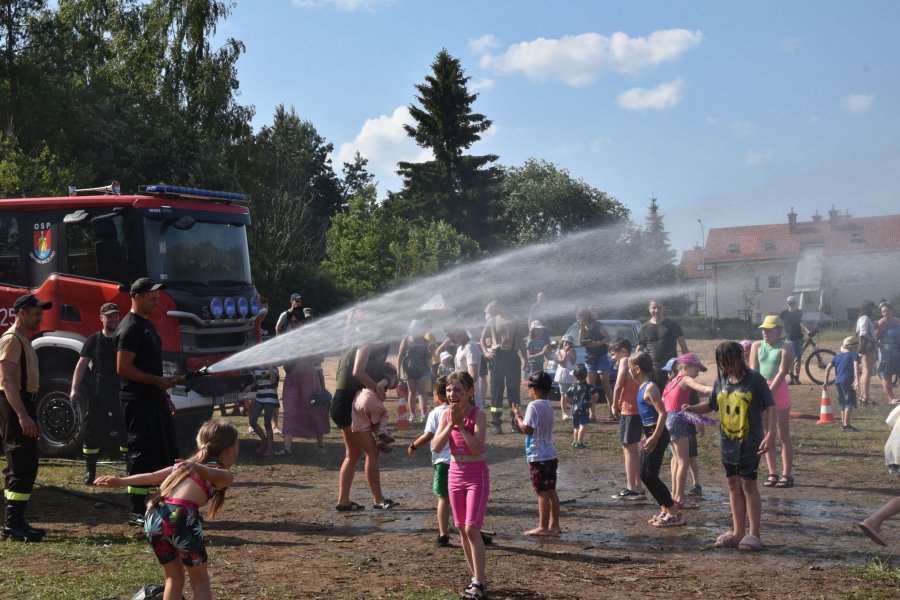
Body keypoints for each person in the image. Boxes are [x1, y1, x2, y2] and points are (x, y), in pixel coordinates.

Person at [95, 419, 238, 600]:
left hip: (154, 515)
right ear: (230, 450)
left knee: (174, 578)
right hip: (180, 518)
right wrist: (195, 467)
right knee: (200, 578)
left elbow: (153, 476)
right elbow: (211, 474)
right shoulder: (222, 474)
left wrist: (121, 481)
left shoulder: (182, 466)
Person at [685, 341, 775, 551]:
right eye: (722, 363)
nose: (726, 367)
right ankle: (737, 532)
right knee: (733, 486)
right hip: (727, 444)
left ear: (740, 358)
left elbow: (770, 406)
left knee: (748, 485)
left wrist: (770, 435)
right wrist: (692, 408)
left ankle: (754, 534)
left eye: (729, 362)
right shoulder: (721, 380)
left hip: (750, 443)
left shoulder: (755, 380)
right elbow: (711, 405)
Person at [117, 278, 177, 526]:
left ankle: (161, 504)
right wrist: (156, 382)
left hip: (153, 397)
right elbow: (123, 368)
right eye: (152, 298)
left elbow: (151, 365)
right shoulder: (130, 327)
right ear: (137, 297)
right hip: (138, 400)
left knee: (164, 449)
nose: (157, 302)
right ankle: (136, 510)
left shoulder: (146, 325)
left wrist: (163, 393)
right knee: (140, 452)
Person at [432, 371, 489, 599]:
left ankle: (480, 582)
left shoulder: (479, 414)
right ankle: (475, 577)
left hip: (476, 475)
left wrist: (462, 427)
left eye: (457, 390)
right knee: (461, 530)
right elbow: (436, 446)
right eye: (448, 390)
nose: (452, 394)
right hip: (455, 474)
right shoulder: (446, 414)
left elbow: (477, 448)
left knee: (472, 528)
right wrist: (451, 424)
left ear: (469, 392)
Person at [0, 294, 51, 542]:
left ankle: (18, 520)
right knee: (20, 460)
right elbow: (7, 380)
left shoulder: (25, 340)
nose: (40, 317)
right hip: (14, 402)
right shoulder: (11, 340)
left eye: (40, 313)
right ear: (21, 313)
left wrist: (30, 414)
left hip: (24, 401)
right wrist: (22, 416)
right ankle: (12, 524)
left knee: (27, 462)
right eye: (35, 313)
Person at [331, 342, 397, 511]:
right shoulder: (364, 344)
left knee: (352, 454)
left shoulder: (352, 346)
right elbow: (357, 373)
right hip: (346, 404)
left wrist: (385, 380)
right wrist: (376, 386)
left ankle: (343, 501)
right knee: (372, 452)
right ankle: (379, 500)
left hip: (343, 404)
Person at [70, 302, 127, 485]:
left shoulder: (123, 339)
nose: (113, 319)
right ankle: (90, 471)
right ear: (101, 318)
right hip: (98, 392)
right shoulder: (93, 340)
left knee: (124, 429)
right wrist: (74, 388)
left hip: (120, 390)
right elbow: (81, 365)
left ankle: (130, 468)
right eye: (109, 316)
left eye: (115, 316)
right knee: (93, 430)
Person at [630, 352, 681, 526]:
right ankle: (665, 508)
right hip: (649, 433)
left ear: (637, 369)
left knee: (650, 475)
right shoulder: (642, 387)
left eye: (631, 368)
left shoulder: (650, 387)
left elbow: (662, 413)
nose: (629, 371)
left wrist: (655, 436)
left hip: (657, 433)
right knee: (645, 474)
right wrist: (646, 437)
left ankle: (673, 512)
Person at [661, 353, 713, 508]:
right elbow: (702, 389)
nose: (698, 372)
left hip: (668, 420)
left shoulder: (670, 382)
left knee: (677, 461)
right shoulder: (685, 379)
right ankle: (680, 498)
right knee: (683, 462)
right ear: (685, 367)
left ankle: (675, 496)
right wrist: (723, 389)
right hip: (678, 420)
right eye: (696, 368)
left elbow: (664, 403)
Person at [513, 371, 560, 537]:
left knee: (542, 492)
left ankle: (543, 526)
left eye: (529, 388)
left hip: (538, 455)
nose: (528, 391)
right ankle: (554, 524)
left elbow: (527, 429)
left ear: (534, 389)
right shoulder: (548, 404)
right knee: (552, 490)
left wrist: (518, 417)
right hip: (550, 453)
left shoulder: (533, 406)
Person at [750, 315, 795, 489]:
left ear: (779, 331)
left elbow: (783, 372)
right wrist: (757, 390)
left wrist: (769, 391)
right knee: (767, 433)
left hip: (777, 390)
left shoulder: (785, 348)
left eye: (769, 330)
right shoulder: (756, 346)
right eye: (763, 329)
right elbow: (754, 369)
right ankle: (772, 472)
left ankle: (787, 474)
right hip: (762, 389)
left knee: (782, 434)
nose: (765, 333)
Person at [409, 375, 452, 546]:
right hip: (460, 462)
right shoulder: (462, 410)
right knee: (462, 499)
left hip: (442, 462)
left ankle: (443, 533)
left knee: (443, 498)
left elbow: (428, 435)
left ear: (437, 395)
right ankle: (473, 529)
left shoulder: (436, 413)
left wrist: (413, 446)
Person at [481, 301, 527, 434]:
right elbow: (483, 339)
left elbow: (521, 342)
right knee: (496, 391)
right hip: (497, 358)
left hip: (512, 358)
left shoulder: (517, 322)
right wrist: (486, 352)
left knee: (514, 391)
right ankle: (496, 423)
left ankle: (516, 423)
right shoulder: (492, 321)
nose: (498, 308)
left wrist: (526, 360)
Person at [611, 338, 644, 499]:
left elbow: (618, 385)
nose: (612, 358)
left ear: (623, 351)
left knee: (629, 448)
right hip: (635, 410)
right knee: (632, 449)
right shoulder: (635, 362)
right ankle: (638, 486)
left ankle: (633, 488)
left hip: (630, 411)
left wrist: (614, 404)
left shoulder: (625, 360)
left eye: (613, 354)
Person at [279, 353, 330, 456]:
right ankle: (287, 448)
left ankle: (321, 445)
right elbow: (280, 361)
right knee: (289, 410)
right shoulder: (288, 341)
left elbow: (320, 358)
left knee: (314, 408)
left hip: (309, 377)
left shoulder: (309, 340)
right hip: (292, 378)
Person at [636, 300, 689, 390]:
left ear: (664, 309)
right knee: (655, 398)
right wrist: (641, 367)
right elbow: (639, 350)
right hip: (652, 370)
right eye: (654, 308)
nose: (656, 310)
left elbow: (684, 348)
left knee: (671, 396)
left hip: (671, 369)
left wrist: (686, 366)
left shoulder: (673, 325)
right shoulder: (644, 328)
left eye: (659, 308)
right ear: (649, 309)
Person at [352, 363, 399, 453]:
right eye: (395, 379)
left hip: (358, 401)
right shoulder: (387, 378)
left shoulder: (371, 379)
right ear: (393, 376)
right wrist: (381, 396)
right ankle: (382, 430)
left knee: (373, 422)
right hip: (371, 399)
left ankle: (379, 441)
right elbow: (380, 386)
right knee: (383, 415)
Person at [576, 308, 613, 420]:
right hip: (590, 359)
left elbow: (608, 338)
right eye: (577, 318)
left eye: (580, 318)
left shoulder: (598, 325)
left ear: (585, 317)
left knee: (605, 383)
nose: (578, 320)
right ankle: (592, 414)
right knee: (591, 387)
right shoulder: (581, 328)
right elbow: (580, 342)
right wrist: (582, 328)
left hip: (601, 356)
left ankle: (612, 411)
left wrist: (598, 343)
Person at [398, 320, 434, 422]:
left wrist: (432, 349)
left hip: (422, 368)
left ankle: (423, 414)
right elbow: (400, 356)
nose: (415, 331)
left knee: (422, 392)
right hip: (409, 369)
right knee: (412, 391)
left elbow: (428, 356)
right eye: (413, 329)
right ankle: (412, 414)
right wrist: (398, 370)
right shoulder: (405, 340)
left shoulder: (425, 341)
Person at [823, 337, 861, 431]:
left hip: (838, 381)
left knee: (843, 403)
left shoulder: (837, 356)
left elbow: (827, 369)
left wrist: (825, 382)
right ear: (854, 347)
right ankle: (847, 425)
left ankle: (843, 423)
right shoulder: (854, 355)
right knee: (849, 402)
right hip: (848, 381)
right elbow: (856, 367)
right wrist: (857, 379)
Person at [445, 323, 485, 409]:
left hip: (470, 398)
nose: (450, 339)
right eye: (448, 336)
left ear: (461, 332)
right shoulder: (460, 348)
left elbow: (473, 376)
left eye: (451, 335)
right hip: (462, 396)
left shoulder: (470, 347)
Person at [246, 366, 279, 456]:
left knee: (267, 422)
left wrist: (270, 368)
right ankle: (265, 441)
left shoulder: (274, 368)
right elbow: (256, 383)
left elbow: (273, 381)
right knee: (252, 421)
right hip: (259, 397)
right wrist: (250, 386)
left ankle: (270, 449)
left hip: (270, 397)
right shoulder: (255, 369)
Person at [563, 365, 597, 449]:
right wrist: (592, 402)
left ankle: (575, 441)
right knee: (583, 426)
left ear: (575, 376)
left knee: (576, 426)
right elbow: (596, 394)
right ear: (586, 376)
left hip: (574, 410)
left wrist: (571, 403)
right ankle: (580, 442)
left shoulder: (573, 386)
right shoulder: (589, 387)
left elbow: (566, 396)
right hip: (584, 409)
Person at [780, 296, 809, 384]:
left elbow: (802, 323)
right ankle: (791, 377)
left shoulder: (799, 313)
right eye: (789, 303)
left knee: (798, 358)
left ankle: (797, 378)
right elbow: (779, 323)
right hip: (788, 339)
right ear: (787, 303)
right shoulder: (783, 313)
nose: (791, 305)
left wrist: (808, 331)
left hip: (798, 338)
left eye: (793, 303)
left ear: (795, 304)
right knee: (790, 359)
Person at [876, 301, 900, 404]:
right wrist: (881, 346)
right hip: (886, 352)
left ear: (892, 310)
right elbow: (875, 338)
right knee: (887, 375)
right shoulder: (881, 323)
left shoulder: (897, 321)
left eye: (887, 311)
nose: (885, 313)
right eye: (883, 312)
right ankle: (891, 398)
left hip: (898, 351)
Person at [856, 301, 878, 406]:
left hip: (866, 347)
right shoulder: (865, 318)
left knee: (865, 372)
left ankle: (862, 396)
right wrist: (875, 342)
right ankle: (865, 396)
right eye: (873, 308)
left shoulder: (863, 318)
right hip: (867, 347)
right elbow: (863, 333)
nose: (874, 310)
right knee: (867, 372)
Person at [554, 334, 576, 419]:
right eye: (565, 342)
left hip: (571, 373)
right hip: (562, 374)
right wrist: (565, 353)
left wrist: (569, 353)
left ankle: (573, 410)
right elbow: (562, 363)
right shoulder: (559, 352)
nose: (567, 344)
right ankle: (564, 412)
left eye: (569, 342)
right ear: (562, 342)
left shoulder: (573, 351)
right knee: (563, 393)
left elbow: (573, 362)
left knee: (573, 393)